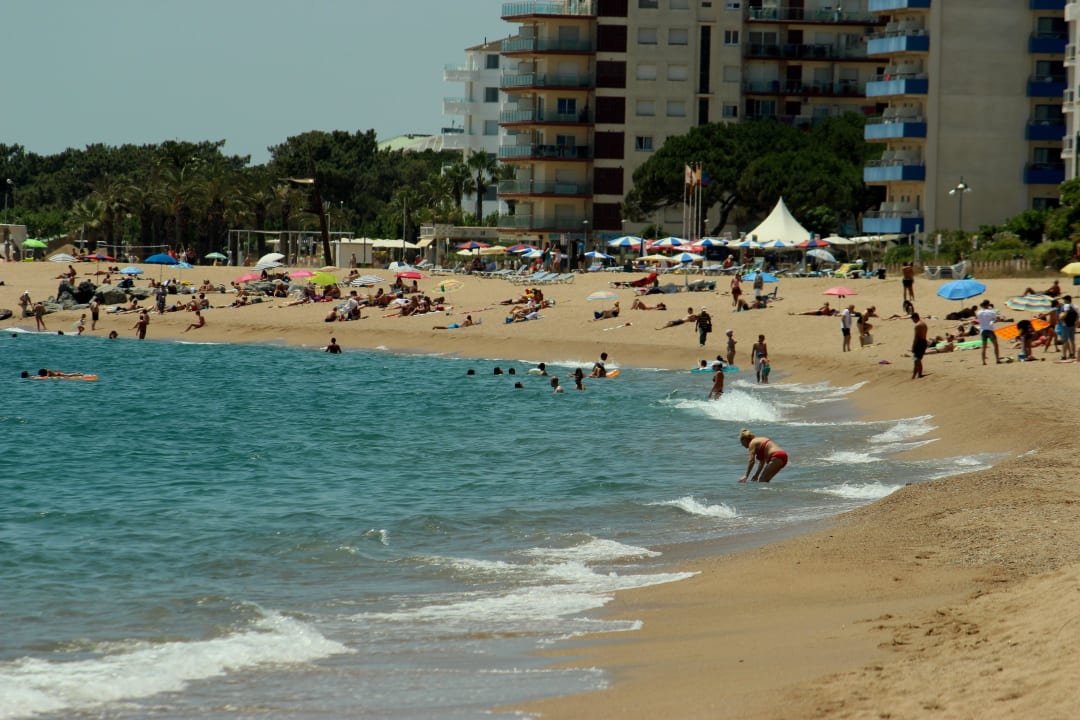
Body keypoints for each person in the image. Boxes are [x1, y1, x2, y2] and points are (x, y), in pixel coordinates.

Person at [975, 299, 1000, 365]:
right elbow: (996, 318)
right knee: (995, 345)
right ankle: (997, 359)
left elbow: (978, 319)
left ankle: (983, 361)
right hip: (989, 329)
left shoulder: (979, 312)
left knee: (984, 347)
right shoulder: (991, 312)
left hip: (983, 330)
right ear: (988, 304)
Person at [1059, 294, 1077, 360]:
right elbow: (1077, 316)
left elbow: (1063, 315)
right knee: (1072, 341)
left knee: (1065, 341)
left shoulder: (1065, 306)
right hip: (1072, 325)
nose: (1063, 301)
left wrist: (1061, 321)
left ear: (1067, 300)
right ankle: (1073, 354)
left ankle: (1064, 355)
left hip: (1066, 325)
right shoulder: (1074, 306)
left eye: (1064, 299)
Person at [911, 312, 928, 379]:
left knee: (916, 360)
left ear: (915, 318)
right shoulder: (924, 324)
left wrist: (913, 346)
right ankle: (914, 375)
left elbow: (916, 337)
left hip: (919, 342)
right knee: (917, 360)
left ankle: (919, 375)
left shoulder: (917, 325)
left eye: (912, 319)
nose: (912, 321)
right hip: (924, 342)